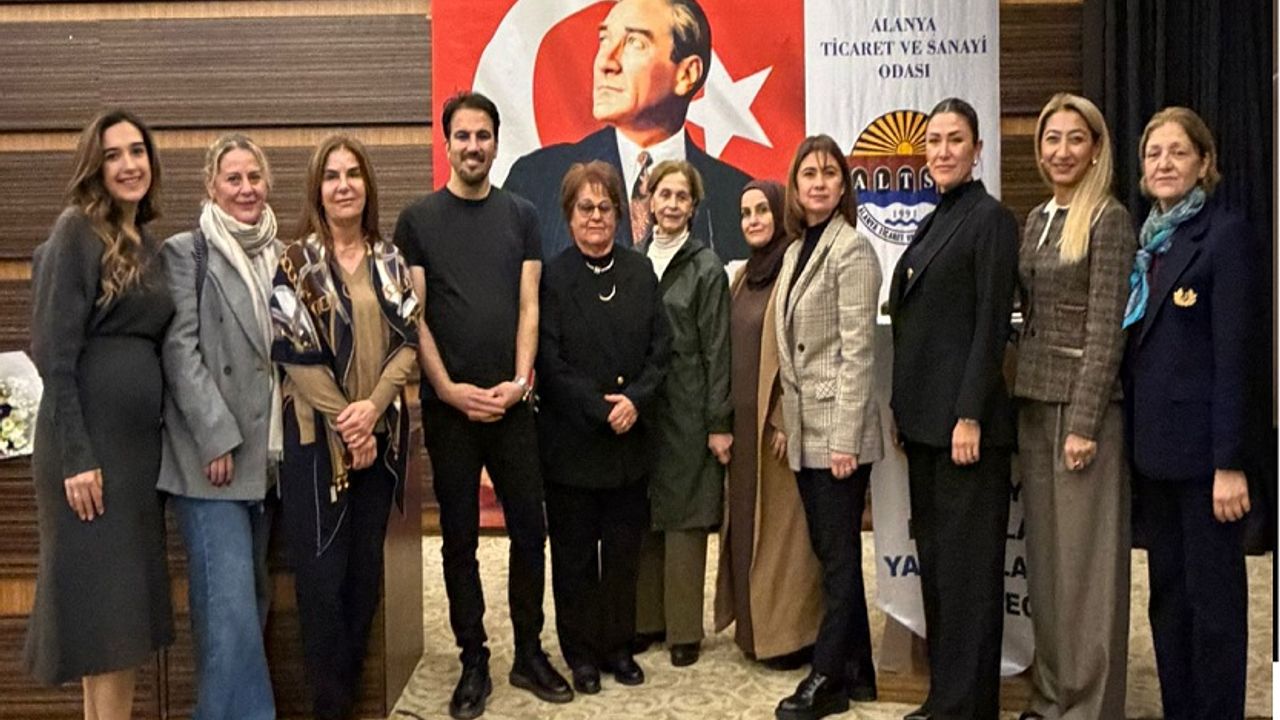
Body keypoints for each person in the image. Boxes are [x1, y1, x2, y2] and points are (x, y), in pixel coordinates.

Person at [393, 91, 572, 719]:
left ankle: (528, 651)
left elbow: (529, 304)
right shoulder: (417, 220)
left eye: (483, 136)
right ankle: (474, 658)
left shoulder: (522, 214)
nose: (473, 146)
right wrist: (447, 389)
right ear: (447, 143)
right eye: (463, 136)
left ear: (497, 142)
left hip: (513, 406)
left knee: (529, 531)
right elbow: (415, 317)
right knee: (459, 539)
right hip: (451, 411)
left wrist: (520, 382)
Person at [24, 108, 174, 720]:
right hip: (89, 455)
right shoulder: (76, 231)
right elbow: (53, 355)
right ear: (95, 166)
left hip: (136, 459)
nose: (129, 164)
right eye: (113, 155)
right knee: (110, 623)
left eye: (137, 151)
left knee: (114, 625)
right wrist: (77, 457)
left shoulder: (150, 245)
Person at [270, 135, 420, 720]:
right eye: (332, 176)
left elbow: (408, 344)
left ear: (367, 185)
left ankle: (348, 702)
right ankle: (329, 709)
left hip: (379, 446)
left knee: (362, 584)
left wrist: (373, 411)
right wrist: (347, 422)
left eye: (353, 174)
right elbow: (295, 354)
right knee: (321, 588)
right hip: (317, 448)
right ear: (318, 189)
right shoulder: (295, 263)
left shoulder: (390, 260)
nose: (343, 185)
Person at [887, 97, 1019, 720]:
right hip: (926, 427)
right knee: (940, 572)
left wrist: (970, 413)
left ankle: (969, 707)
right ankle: (946, 698)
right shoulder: (937, 216)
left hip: (966, 430)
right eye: (934, 141)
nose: (942, 151)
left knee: (969, 579)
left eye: (955, 140)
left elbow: (991, 323)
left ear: (977, 149)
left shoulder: (990, 219)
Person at [1123, 106, 1255, 719]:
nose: (1164, 163)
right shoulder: (1148, 244)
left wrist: (1231, 463)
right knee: (1169, 601)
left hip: (1207, 464)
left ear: (1204, 163)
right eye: (1154, 154)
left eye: (1178, 152)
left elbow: (1237, 359)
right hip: (1155, 457)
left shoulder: (1224, 237)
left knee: (1214, 608)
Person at [1013, 94, 1135, 720]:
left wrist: (1085, 422)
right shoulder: (1038, 217)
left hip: (1082, 413)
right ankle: (1051, 695)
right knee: (1048, 566)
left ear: (1096, 149)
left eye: (1075, 139)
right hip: (1034, 402)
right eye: (1051, 139)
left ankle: (1089, 705)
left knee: (1087, 569)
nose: (1061, 151)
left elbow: (1107, 328)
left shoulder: (1109, 218)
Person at [537, 160, 672, 695]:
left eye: (605, 207)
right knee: (573, 559)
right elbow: (549, 361)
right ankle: (581, 654)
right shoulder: (552, 276)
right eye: (585, 207)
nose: (596, 216)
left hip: (628, 443)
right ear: (569, 215)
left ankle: (618, 647)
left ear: (620, 213)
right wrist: (601, 408)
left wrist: (634, 401)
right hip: (572, 444)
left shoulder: (641, 272)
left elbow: (661, 350)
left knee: (621, 556)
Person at [159, 133, 281, 720]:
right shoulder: (188, 252)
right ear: (211, 185)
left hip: (267, 461)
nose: (246, 189)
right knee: (229, 615)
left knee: (245, 609)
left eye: (254, 177)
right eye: (233, 178)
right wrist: (216, 436)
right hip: (211, 463)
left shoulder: (283, 255)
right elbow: (179, 352)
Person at [771, 136, 883, 720]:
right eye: (808, 174)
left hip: (839, 433)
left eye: (829, 173)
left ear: (844, 186)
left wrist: (845, 440)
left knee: (838, 560)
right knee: (829, 554)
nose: (818, 182)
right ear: (795, 186)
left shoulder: (853, 249)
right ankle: (858, 672)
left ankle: (825, 678)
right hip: (805, 429)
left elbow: (858, 354)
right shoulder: (796, 250)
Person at [504, 0, 751, 262]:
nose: (605, 62)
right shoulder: (535, 180)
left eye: (635, 43)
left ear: (687, 74)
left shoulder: (740, 200)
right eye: (604, 40)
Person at [713, 179, 823, 671]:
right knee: (744, 527)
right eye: (745, 212)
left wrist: (784, 417)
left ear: (780, 214)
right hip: (742, 426)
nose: (753, 220)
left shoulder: (795, 269)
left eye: (762, 210)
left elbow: (810, 348)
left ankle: (788, 638)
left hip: (777, 430)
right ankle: (753, 633)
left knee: (782, 540)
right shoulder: (742, 276)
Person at [633, 159, 732, 668]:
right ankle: (647, 620)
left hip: (689, 406)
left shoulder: (706, 267)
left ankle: (684, 630)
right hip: (640, 408)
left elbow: (718, 349)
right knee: (645, 512)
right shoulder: (633, 260)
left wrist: (719, 423)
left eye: (681, 197)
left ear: (693, 207)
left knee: (685, 516)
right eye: (664, 194)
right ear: (649, 200)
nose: (671, 205)